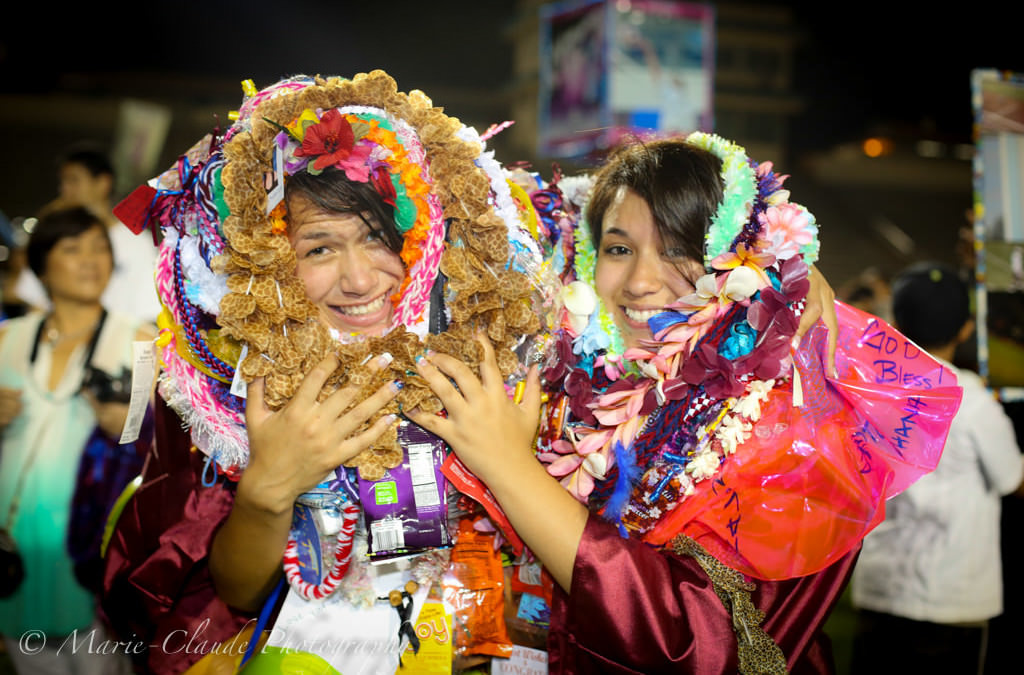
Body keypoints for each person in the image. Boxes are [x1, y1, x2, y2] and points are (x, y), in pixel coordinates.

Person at [405, 135, 961, 673]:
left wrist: (510, 470)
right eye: (619, 249)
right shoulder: (595, 378)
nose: (641, 281)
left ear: (736, 261)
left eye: (681, 250)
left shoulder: (796, 422)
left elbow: (701, 647)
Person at [100, 71, 550, 674]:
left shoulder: (490, 353)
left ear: (419, 235)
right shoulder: (236, 385)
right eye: (318, 248)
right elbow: (234, 594)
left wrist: (508, 468)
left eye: (375, 238)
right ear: (271, 258)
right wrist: (268, 488)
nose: (359, 279)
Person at [0, 206, 155, 674]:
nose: (91, 260)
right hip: (14, 549)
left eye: (99, 249)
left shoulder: (142, 343)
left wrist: (128, 427)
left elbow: (164, 451)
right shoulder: (8, 337)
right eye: (73, 249)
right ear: (42, 265)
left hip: (92, 553)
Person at [848, 262, 1024, 675]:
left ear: (896, 322)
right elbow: (1013, 480)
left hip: (880, 590)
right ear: (966, 329)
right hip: (952, 597)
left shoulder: (871, 389)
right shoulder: (972, 398)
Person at [14, 143, 161, 323]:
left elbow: (149, 311)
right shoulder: (54, 236)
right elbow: (34, 303)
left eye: (73, 180)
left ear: (103, 183)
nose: (64, 190)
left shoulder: (137, 242)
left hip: (119, 345)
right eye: (72, 249)